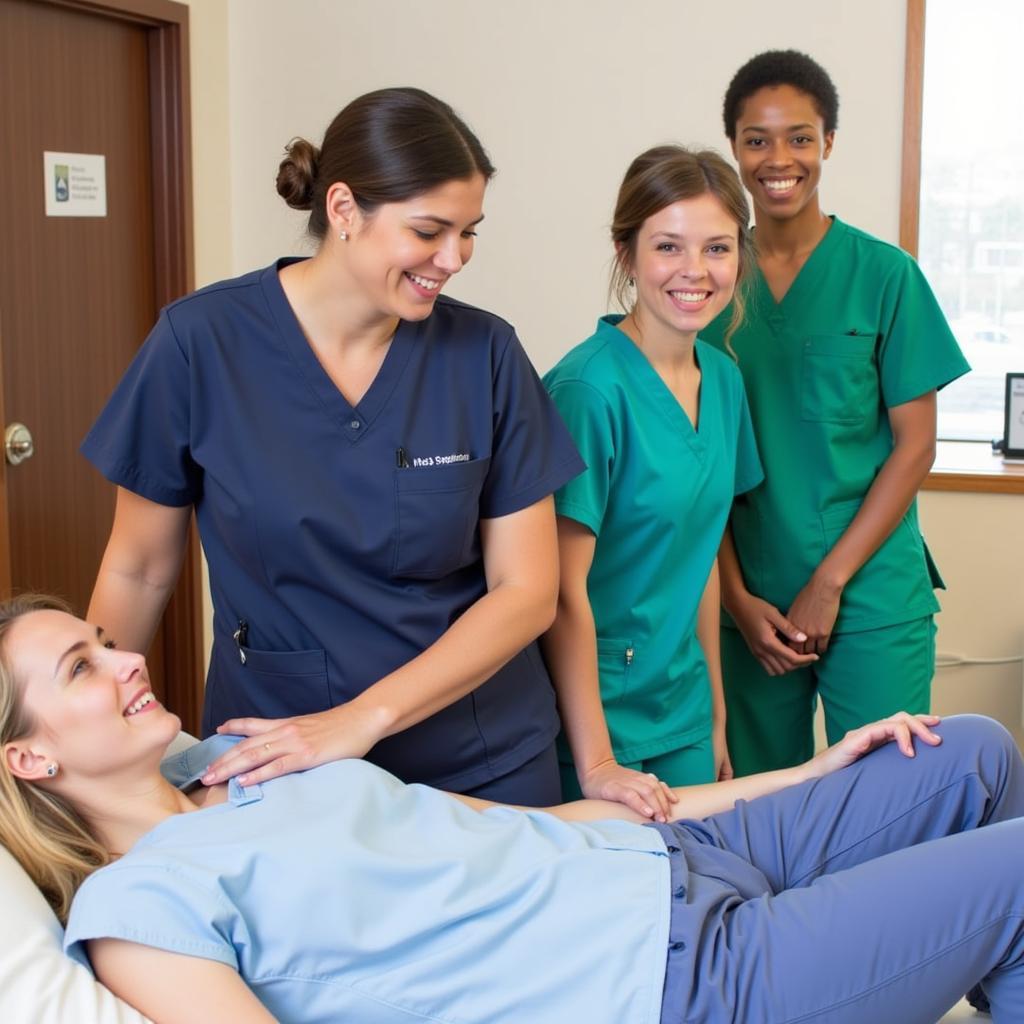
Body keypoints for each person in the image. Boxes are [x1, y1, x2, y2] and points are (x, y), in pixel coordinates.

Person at [3, 596, 1024, 1023]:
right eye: (84, 666)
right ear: (28, 755)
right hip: (669, 980)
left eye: (105, 637)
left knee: (970, 755)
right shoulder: (137, 911)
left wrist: (805, 773)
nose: (128, 656)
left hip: (674, 852)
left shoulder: (247, 756)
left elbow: (518, 826)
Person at [81, 87, 585, 805]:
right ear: (344, 209)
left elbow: (527, 591)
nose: (455, 257)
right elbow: (137, 570)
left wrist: (360, 719)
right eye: (429, 230)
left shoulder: (485, 355)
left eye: (470, 230)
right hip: (280, 763)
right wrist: (85, 755)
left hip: (479, 761)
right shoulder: (201, 345)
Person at [700, 51, 970, 776]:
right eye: (757, 139)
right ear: (734, 145)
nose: (777, 158)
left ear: (828, 143)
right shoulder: (708, 285)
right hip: (751, 598)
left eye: (799, 136)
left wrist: (829, 583)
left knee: (889, 799)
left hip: (872, 588)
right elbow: (700, 463)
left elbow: (915, 448)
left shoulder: (886, 276)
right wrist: (734, 597)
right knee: (757, 809)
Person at [542, 146, 762, 818]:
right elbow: (559, 591)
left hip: (685, 710)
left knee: (702, 901)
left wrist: (719, 715)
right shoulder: (587, 392)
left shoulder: (723, 380)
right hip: (594, 721)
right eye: (669, 246)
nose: (695, 271)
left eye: (717, 249)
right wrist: (597, 760)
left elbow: (700, 559)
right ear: (626, 253)